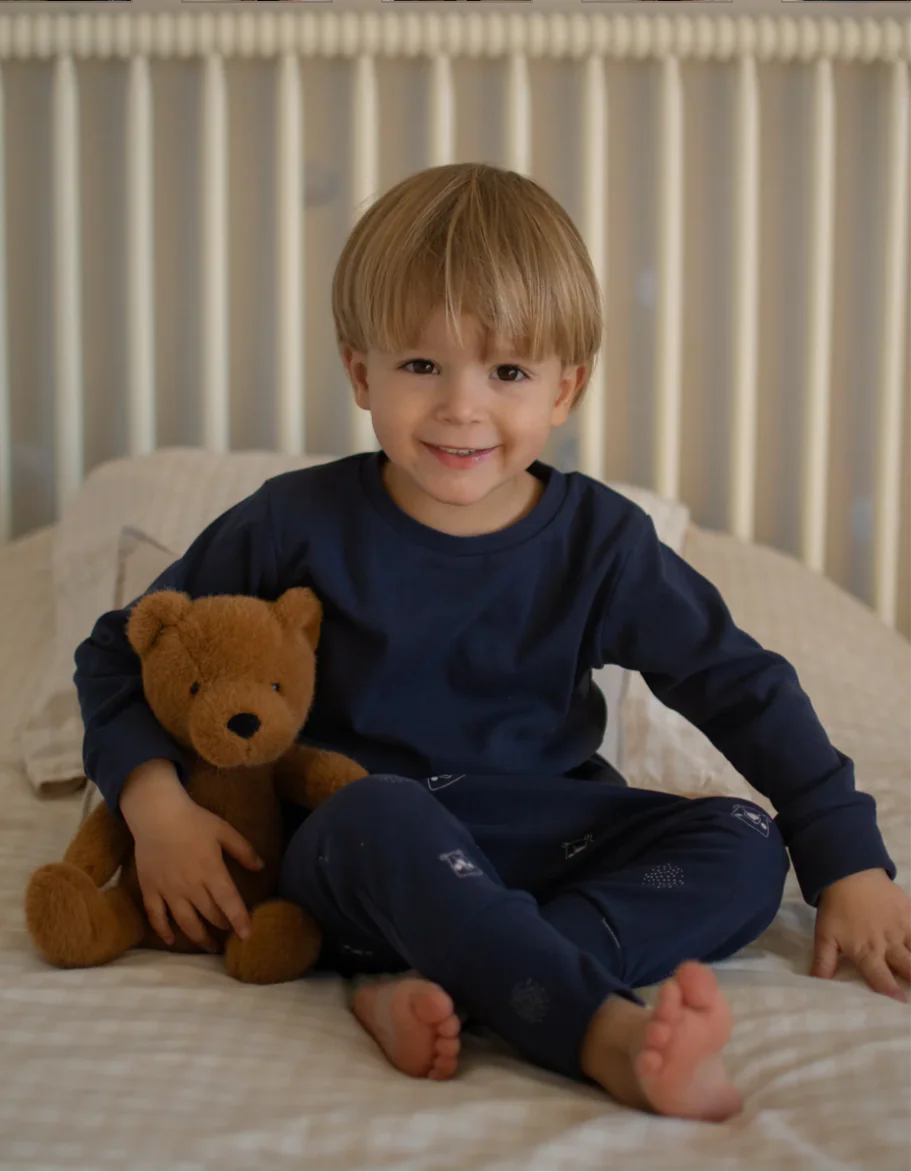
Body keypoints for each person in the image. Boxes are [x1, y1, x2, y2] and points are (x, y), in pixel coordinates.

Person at [73, 162, 910, 1124]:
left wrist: (847, 861)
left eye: (507, 372)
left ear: (564, 388)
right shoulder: (292, 523)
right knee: (382, 807)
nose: (462, 408)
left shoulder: (600, 543)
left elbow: (738, 684)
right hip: (360, 850)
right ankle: (599, 1033)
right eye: (422, 366)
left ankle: (450, 989)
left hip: (544, 834)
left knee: (746, 844)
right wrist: (155, 808)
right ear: (361, 372)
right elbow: (122, 652)